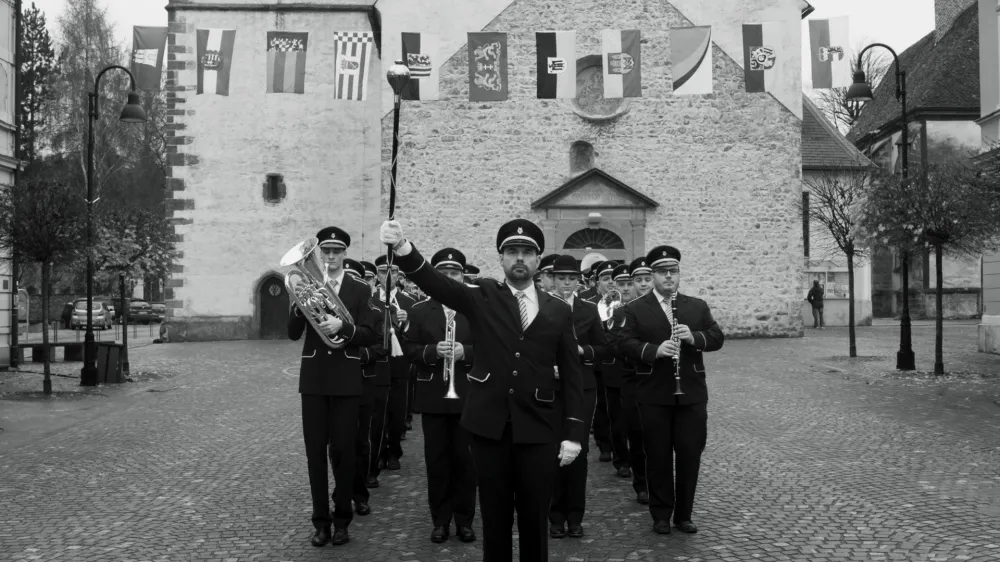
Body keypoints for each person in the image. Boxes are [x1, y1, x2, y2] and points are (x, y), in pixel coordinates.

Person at [380, 218, 585, 562]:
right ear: (501, 258)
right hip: (489, 427)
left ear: (537, 261)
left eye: (526, 252)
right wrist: (402, 248)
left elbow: (571, 373)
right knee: (495, 517)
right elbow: (436, 283)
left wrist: (574, 433)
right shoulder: (482, 296)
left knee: (535, 518)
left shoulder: (559, 310)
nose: (519, 258)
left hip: (538, 427)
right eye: (512, 252)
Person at [288, 226, 384, 547]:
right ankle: (321, 523)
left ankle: (342, 519)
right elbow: (291, 332)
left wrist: (344, 326)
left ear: (344, 254)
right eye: (325, 252)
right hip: (314, 378)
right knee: (315, 453)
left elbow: (372, 333)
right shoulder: (308, 285)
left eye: (335, 252)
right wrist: (296, 303)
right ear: (318, 255)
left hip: (346, 377)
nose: (329, 257)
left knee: (343, 452)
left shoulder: (359, 288)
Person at [618, 245, 724, 535]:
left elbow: (717, 337)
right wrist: (653, 350)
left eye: (673, 272)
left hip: (691, 394)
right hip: (654, 394)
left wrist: (695, 336)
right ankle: (661, 515)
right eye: (663, 272)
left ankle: (684, 514)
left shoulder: (696, 306)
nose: (668, 277)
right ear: (652, 275)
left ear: (678, 274)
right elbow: (622, 343)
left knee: (690, 454)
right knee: (658, 456)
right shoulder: (635, 309)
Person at [402, 248, 479, 544]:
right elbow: (408, 350)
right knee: (436, 462)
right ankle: (440, 520)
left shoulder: (475, 309)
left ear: (463, 277)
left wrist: (466, 352)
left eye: (454, 274)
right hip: (434, 396)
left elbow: (493, 349)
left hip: (468, 396)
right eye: (443, 274)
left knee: (466, 462)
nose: (449, 279)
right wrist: (433, 352)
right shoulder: (420, 310)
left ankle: (465, 520)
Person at [547, 254, 606, 539]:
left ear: (579, 281)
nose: (567, 283)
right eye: (561, 278)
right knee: (552, 450)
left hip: (582, 386)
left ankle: (575, 516)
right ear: (552, 279)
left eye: (572, 278)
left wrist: (584, 353)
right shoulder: (541, 307)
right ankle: (554, 516)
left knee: (578, 450)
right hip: (551, 387)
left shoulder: (589, 309)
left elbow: (604, 348)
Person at [331, 258, 378, 517]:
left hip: (364, 380)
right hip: (339, 379)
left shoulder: (372, 306)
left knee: (359, 442)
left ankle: (359, 494)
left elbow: (380, 343)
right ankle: (341, 493)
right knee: (337, 444)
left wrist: (362, 356)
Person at [374, 255, 417, 471]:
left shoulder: (409, 302)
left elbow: (417, 337)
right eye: (383, 271)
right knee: (378, 410)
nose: (388, 276)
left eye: (392, 271)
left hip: (400, 364)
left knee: (397, 410)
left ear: (399, 275)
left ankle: (394, 451)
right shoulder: (369, 300)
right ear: (376, 276)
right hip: (376, 363)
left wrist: (407, 323)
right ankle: (379, 451)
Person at [600, 263, 634, 479]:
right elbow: (607, 341)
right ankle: (621, 458)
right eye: (622, 284)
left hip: (641, 372)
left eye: (630, 283)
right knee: (618, 419)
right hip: (616, 370)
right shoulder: (609, 308)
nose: (627, 288)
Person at [590, 260, 618, 462]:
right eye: (605, 278)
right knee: (601, 406)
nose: (609, 283)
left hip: (621, 362)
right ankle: (604, 445)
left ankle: (620, 446)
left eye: (612, 279)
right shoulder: (590, 302)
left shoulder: (624, 302)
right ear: (597, 282)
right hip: (598, 363)